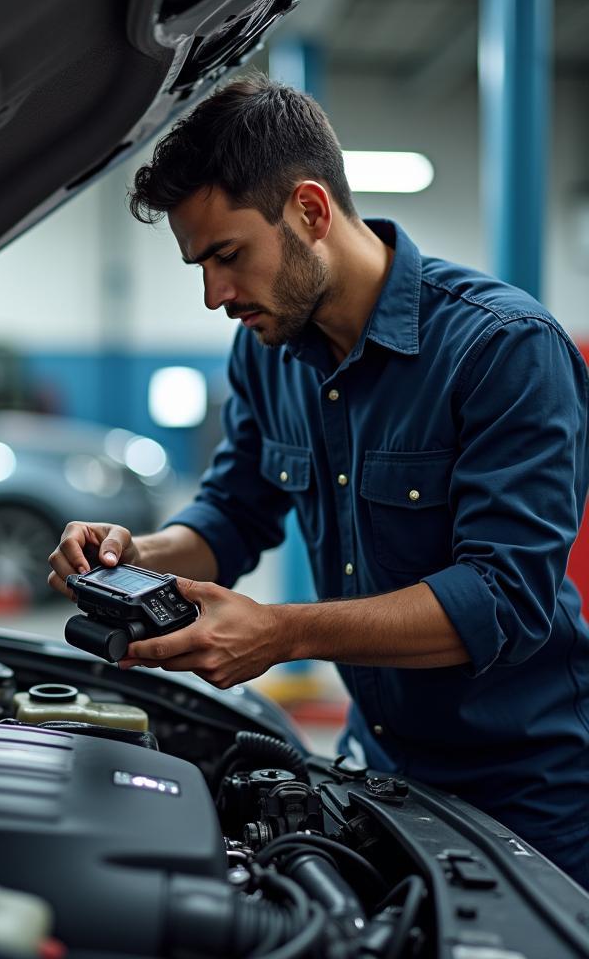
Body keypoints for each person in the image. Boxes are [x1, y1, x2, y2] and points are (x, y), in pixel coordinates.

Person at [47, 73, 589, 889]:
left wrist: (282, 631)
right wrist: (135, 555)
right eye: (200, 265)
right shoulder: (266, 353)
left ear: (309, 210)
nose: (214, 295)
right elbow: (232, 516)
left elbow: (503, 598)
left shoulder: (503, 348)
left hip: (534, 794)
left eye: (228, 256)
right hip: (382, 769)